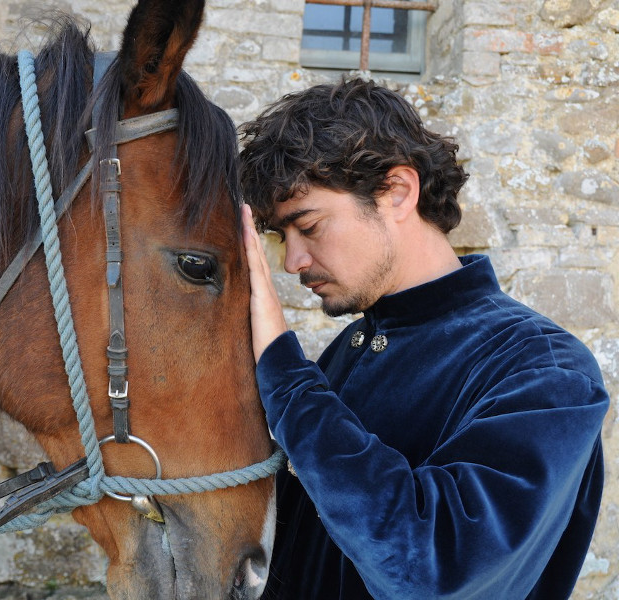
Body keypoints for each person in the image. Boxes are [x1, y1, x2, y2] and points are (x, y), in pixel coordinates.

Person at [238, 78, 609, 599]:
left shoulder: (544, 368)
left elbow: (435, 568)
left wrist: (286, 377)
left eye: (310, 226)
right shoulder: (348, 351)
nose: (292, 262)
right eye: (281, 238)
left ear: (398, 192)